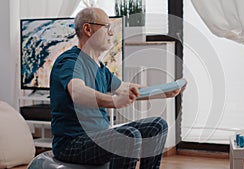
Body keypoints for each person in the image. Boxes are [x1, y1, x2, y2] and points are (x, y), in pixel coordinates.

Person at [50, 7, 185, 169]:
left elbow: (126, 89)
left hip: (97, 138)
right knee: (128, 136)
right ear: (87, 29)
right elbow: (78, 93)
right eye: (107, 27)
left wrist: (163, 91)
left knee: (157, 125)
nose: (112, 33)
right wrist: (113, 101)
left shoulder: (99, 67)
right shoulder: (70, 61)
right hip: (73, 143)